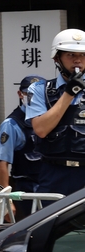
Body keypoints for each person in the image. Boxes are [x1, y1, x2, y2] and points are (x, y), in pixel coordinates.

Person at [27, 28, 85, 199]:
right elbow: (41, 129)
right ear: (57, 58)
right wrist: (69, 93)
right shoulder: (39, 90)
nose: (77, 60)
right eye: (70, 55)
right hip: (54, 173)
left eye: (82, 55)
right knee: (51, 225)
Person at [0, 75, 45, 221]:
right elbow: (2, 163)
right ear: (20, 94)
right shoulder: (11, 124)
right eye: (29, 94)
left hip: (49, 186)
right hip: (26, 190)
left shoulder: (51, 118)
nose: (34, 98)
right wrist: (6, 201)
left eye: (38, 94)